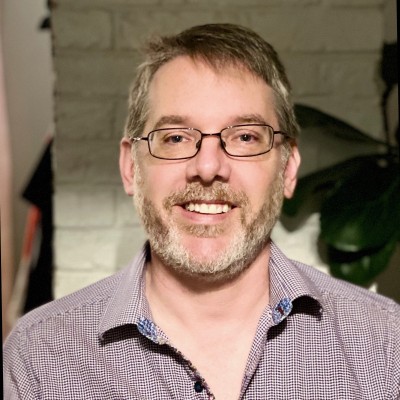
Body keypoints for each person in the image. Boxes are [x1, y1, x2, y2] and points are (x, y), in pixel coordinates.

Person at [3, 23, 400, 400]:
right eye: (176, 137)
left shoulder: (384, 344)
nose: (208, 167)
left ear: (288, 170)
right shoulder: (39, 357)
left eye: (245, 137)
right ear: (130, 168)